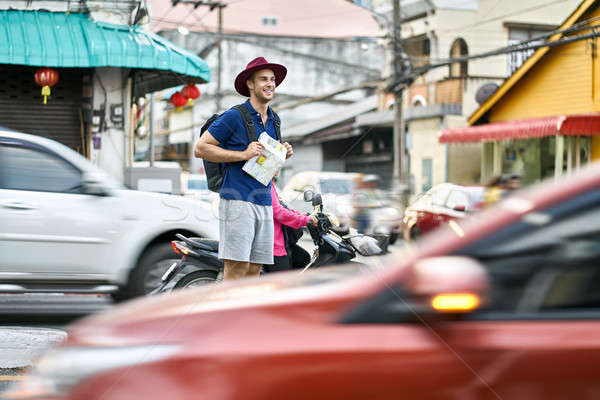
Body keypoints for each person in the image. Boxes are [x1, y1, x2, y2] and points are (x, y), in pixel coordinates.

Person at [194, 57, 293, 280]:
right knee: (237, 268)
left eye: (273, 80)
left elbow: (268, 167)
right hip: (238, 199)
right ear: (250, 84)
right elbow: (200, 148)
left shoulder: (275, 120)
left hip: (264, 200)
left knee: (254, 270)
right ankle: (226, 314)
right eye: (263, 79)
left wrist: (281, 155)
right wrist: (243, 154)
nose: (270, 84)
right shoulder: (234, 116)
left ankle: (243, 313)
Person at [265, 181, 317, 273]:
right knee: (283, 283)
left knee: (303, 258)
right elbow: (278, 211)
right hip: (274, 245)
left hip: (280, 242)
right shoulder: (264, 183)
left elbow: (283, 207)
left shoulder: (269, 183)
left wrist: (305, 215)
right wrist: (305, 220)